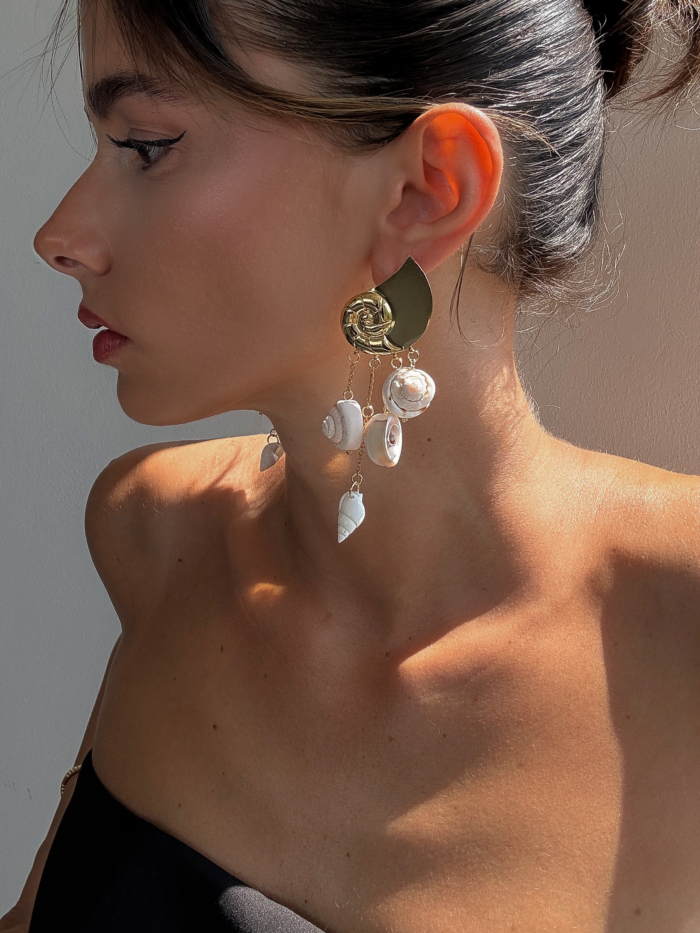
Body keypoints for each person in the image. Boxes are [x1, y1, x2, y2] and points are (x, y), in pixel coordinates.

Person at [4, 0, 700, 929]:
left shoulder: (681, 630)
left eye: (145, 145)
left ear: (428, 190)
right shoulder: (155, 536)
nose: (60, 235)